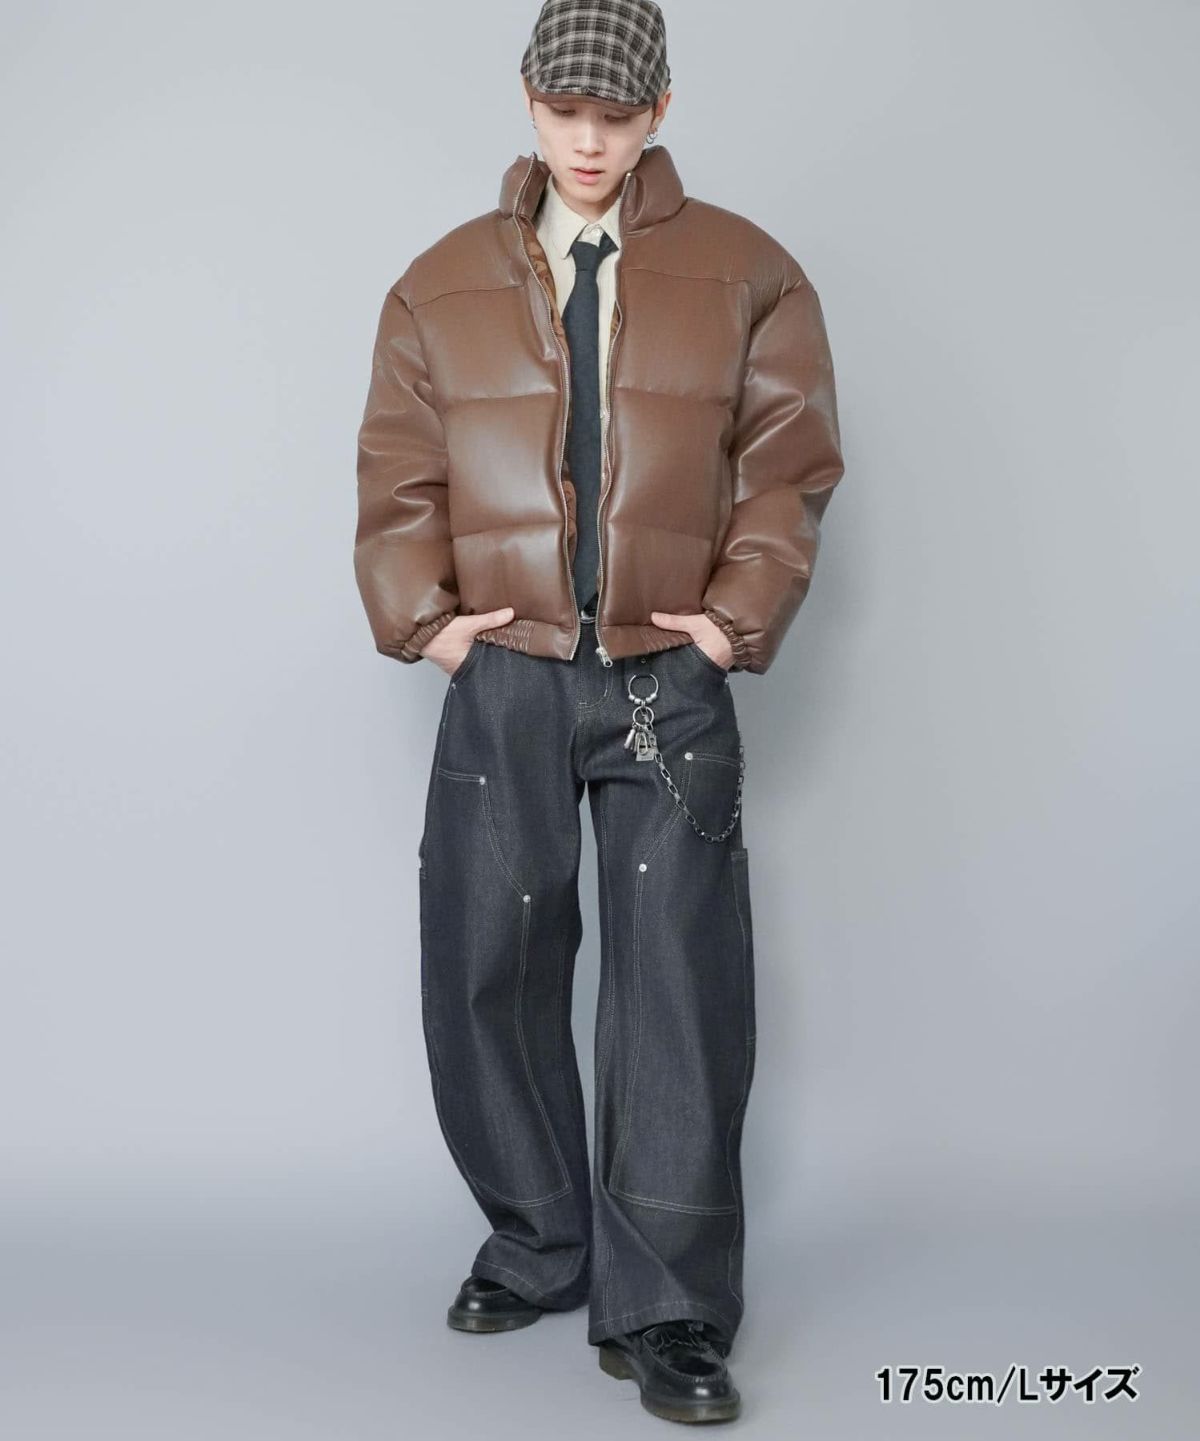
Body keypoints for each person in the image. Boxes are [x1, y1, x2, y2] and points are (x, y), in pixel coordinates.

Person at [353, 0, 844, 1423]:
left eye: (617, 116)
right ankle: (539, 1240)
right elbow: (397, 467)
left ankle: (670, 1304)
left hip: (663, 677)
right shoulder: (438, 284)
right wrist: (429, 620)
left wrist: (734, 621)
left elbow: (790, 464)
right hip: (504, 667)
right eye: (566, 110)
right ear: (527, 97)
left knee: (679, 984)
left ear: (660, 111)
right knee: (486, 962)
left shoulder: (751, 272)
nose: (588, 140)